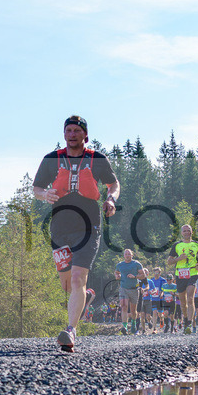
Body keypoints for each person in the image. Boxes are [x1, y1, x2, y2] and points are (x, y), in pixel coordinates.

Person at [32, 115, 119, 351]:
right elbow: (36, 187)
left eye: (76, 131)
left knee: (78, 277)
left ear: (85, 135)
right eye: (68, 131)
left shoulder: (97, 159)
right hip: (59, 227)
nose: (72, 134)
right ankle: (86, 296)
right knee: (68, 285)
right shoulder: (51, 159)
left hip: (89, 225)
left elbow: (114, 184)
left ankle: (71, 330)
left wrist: (111, 199)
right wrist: (44, 195)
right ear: (64, 134)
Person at [167, 224, 198, 334]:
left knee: (190, 297)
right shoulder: (177, 245)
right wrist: (179, 258)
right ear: (182, 233)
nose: (187, 232)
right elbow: (169, 261)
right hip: (180, 274)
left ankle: (189, 323)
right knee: (182, 302)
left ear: (192, 232)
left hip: (192, 272)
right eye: (185, 231)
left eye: (189, 231)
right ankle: (186, 318)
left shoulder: (196, 244)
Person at [114, 249, 144, 335]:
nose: (127, 255)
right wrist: (117, 276)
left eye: (129, 254)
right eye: (126, 254)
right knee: (124, 306)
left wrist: (134, 276)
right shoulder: (120, 264)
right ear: (123, 255)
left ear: (132, 255)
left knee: (133, 309)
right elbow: (116, 272)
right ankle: (125, 327)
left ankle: (133, 323)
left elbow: (143, 275)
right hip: (123, 288)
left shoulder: (136, 264)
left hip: (134, 289)